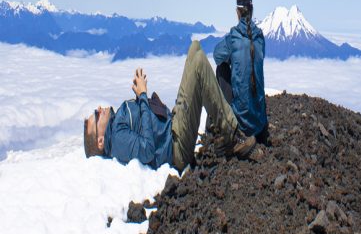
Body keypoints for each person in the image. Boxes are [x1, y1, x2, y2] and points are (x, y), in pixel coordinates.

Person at [83, 41, 256, 173]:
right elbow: (147, 150)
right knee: (199, 64)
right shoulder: (117, 140)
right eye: (96, 117)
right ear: (100, 141)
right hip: (176, 148)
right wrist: (143, 96)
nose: (98, 109)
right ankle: (232, 135)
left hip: (173, 127)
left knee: (195, 48)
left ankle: (220, 131)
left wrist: (141, 98)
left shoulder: (118, 124)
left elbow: (143, 129)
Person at [213, 0, 269, 143]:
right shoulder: (260, 37)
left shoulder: (234, 37)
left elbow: (217, 55)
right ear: (252, 9)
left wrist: (232, 57)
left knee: (222, 68)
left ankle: (220, 124)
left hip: (242, 126)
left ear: (237, 11)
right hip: (259, 124)